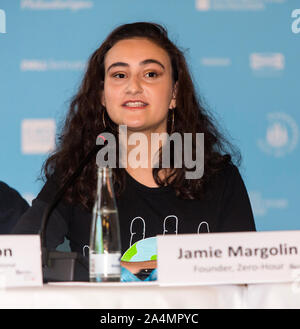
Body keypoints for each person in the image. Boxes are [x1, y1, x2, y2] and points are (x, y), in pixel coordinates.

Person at [13, 22, 256, 279]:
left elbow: (247, 277)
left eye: (150, 74)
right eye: (119, 75)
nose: (134, 86)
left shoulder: (218, 177)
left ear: (174, 93)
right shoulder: (76, 173)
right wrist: (130, 270)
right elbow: (20, 257)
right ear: (102, 96)